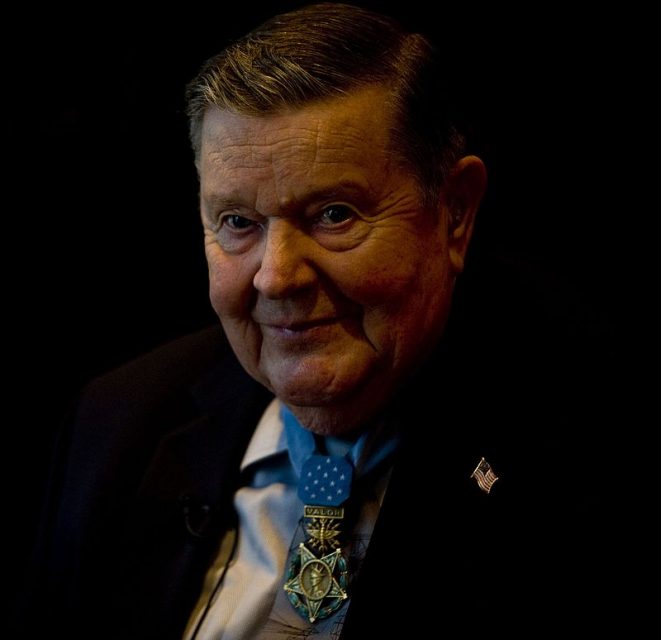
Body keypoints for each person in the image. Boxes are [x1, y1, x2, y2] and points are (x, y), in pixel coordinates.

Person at [17, 3, 625, 639]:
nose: (277, 276)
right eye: (238, 223)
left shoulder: (583, 447)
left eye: (334, 215)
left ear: (454, 213)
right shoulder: (119, 424)